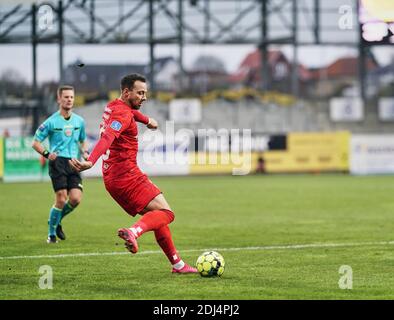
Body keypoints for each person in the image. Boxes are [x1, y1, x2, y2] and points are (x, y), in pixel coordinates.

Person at [69, 74, 197, 274]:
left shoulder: (113, 106)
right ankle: (134, 231)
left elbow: (130, 114)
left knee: (157, 215)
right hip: (126, 175)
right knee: (167, 213)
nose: (144, 97)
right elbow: (108, 137)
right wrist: (90, 161)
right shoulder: (122, 115)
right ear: (126, 92)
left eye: (145, 93)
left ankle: (177, 264)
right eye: (140, 93)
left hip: (114, 178)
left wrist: (146, 120)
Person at [32, 85, 88, 244]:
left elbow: (83, 140)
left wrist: (84, 152)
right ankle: (51, 235)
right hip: (58, 162)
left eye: (71, 97)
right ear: (59, 99)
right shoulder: (50, 122)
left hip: (74, 162)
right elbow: (35, 143)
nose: (69, 100)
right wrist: (47, 154)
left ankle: (55, 221)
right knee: (62, 199)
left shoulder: (79, 121)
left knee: (76, 199)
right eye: (66, 97)